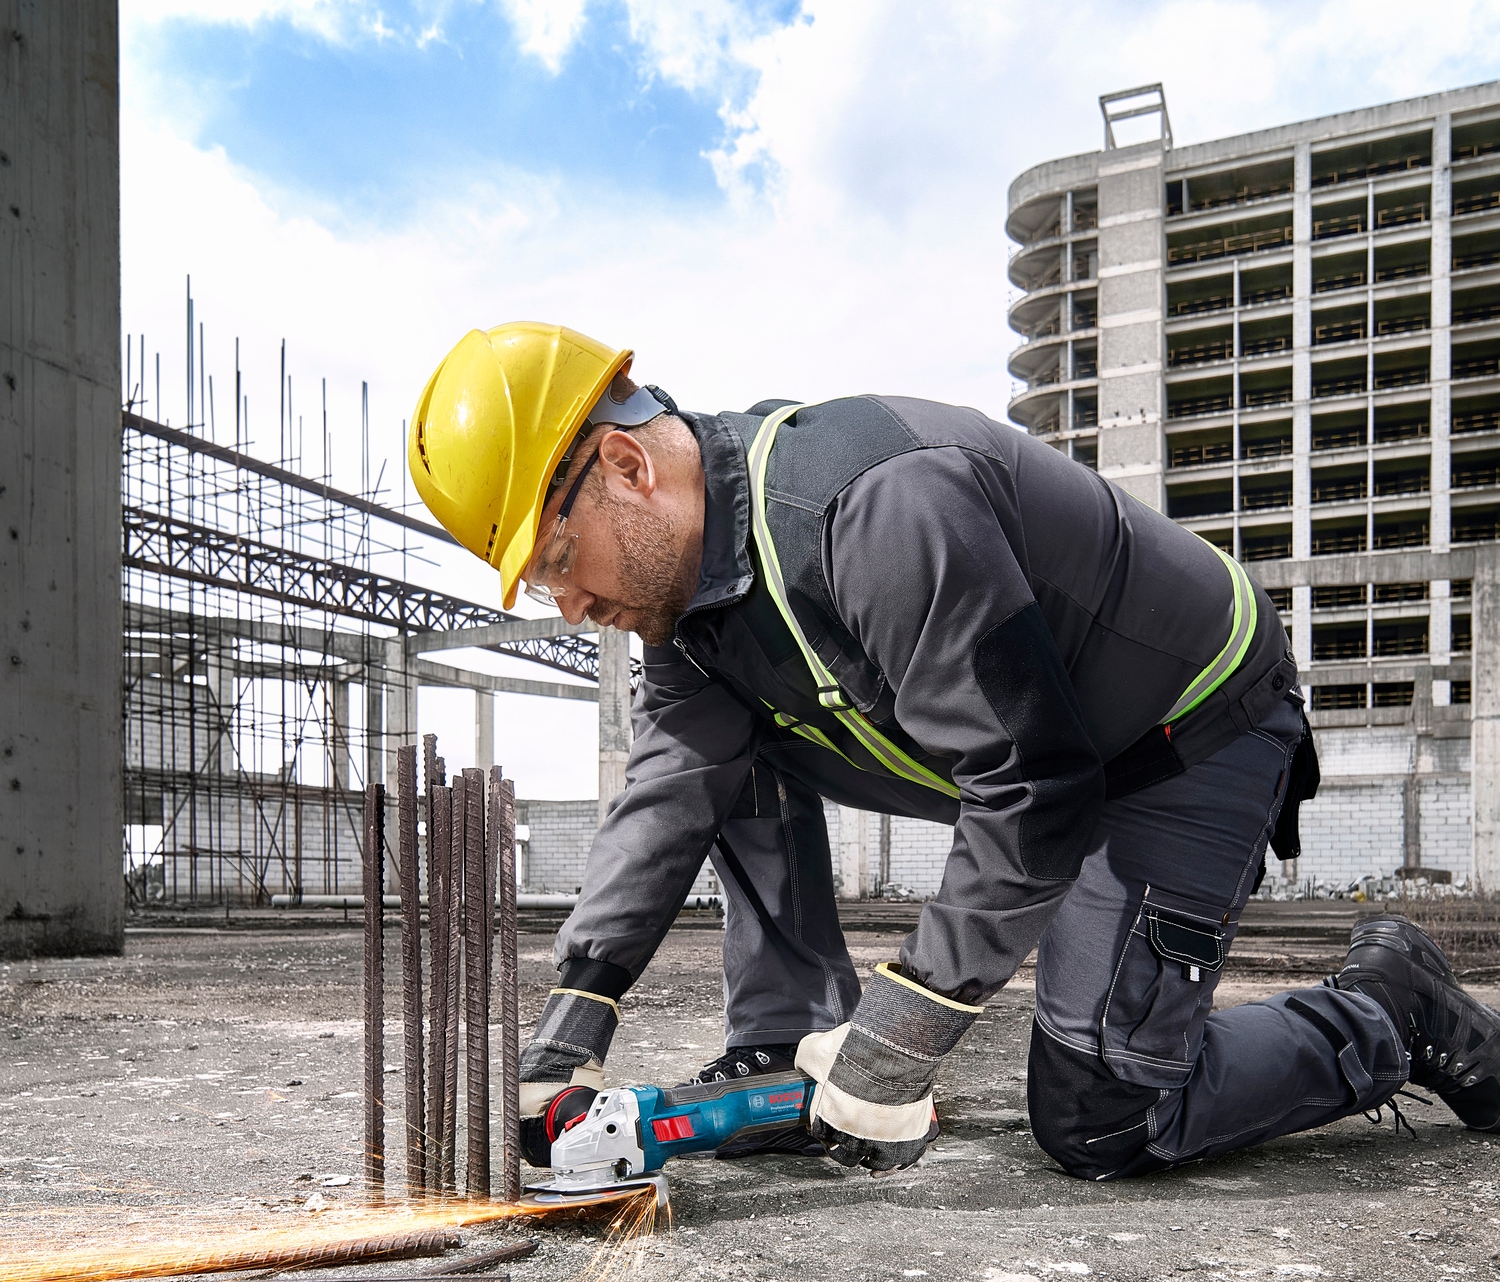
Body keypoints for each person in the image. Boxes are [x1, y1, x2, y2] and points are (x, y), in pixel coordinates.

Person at [409, 322, 1500, 1179]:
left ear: (626, 465)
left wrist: (906, 1026)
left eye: (559, 556)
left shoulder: (870, 511)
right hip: (1055, 759)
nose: (569, 601)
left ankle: (1388, 1011)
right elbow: (667, 799)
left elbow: (1037, 789)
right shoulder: (691, 622)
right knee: (720, 755)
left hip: (1184, 730)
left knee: (1106, 1116)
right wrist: (574, 1015)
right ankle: (785, 1038)